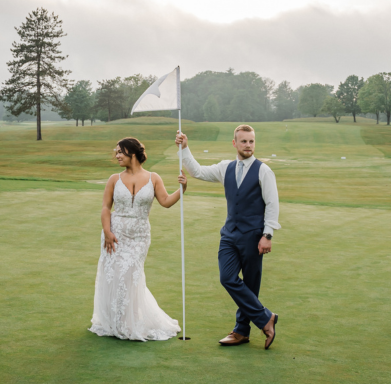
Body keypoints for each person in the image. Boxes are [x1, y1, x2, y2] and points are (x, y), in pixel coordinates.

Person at [175, 125, 281, 350]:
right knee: (227, 278)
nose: (248, 146)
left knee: (251, 286)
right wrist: (185, 149)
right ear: (235, 143)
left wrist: (267, 235)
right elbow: (198, 172)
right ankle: (266, 318)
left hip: (254, 237)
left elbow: (272, 204)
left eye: (251, 141)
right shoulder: (226, 168)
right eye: (243, 142)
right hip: (229, 236)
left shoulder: (263, 171)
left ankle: (242, 331)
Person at [89, 137, 186, 341]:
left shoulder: (153, 178)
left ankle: (131, 322)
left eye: (120, 152)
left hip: (140, 236)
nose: (117, 156)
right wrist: (107, 232)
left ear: (132, 153)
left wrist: (182, 190)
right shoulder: (114, 179)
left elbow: (166, 202)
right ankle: (115, 322)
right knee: (114, 275)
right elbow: (106, 208)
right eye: (116, 152)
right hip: (115, 234)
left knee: (130, 275)